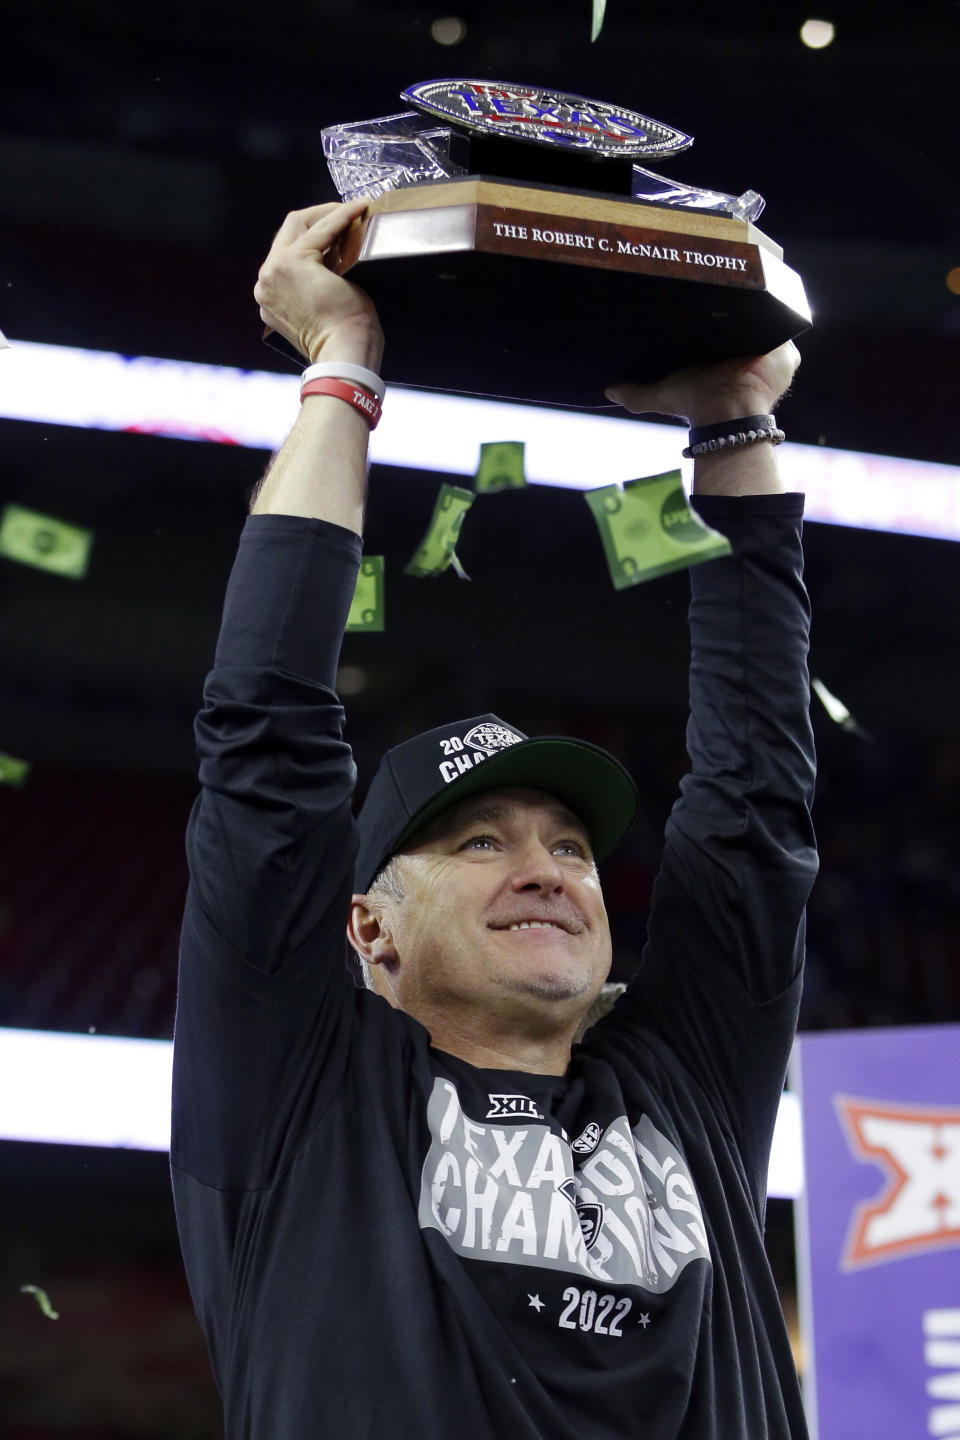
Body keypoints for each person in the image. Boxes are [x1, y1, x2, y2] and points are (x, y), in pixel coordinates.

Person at [171, 200, 818, 1440]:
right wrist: (342, 366)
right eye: (479, 842)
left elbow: (754, 805)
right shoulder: (304, 1091)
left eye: (570, 847)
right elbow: (265, 744)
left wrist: (738, 418)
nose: (549, 871)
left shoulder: (679, 1083)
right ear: (368, 930)